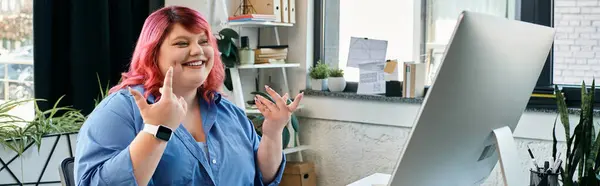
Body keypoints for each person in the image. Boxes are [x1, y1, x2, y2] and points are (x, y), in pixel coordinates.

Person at [74, 6, 303, 186]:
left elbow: (262, 179)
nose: (198, 51)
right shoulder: (120, 110)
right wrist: (156, 130)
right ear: (152, 53)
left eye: (204, 41)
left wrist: (272, 133)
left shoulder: (229, 113)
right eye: (182, 43)